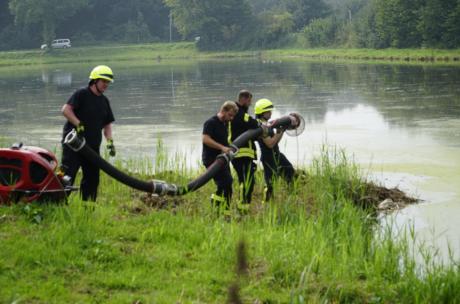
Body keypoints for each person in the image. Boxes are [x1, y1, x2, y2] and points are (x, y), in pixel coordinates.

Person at [60, 65, 116, 201]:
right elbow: (66, 110)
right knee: (67, 176)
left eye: (108, 82)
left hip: (92, 148)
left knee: (92, 179)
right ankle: (58, 203)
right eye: (104, 81)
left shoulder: (104, 101)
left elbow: (107, 124)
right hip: (73, 145)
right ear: (95, 81)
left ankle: (88, 208)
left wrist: (110, 142)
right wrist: (77, 123)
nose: (106, 84)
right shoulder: (81, 94)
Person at [254, 98, 295, 202]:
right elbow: (270, 144)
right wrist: (280, 132)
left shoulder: (268, 124)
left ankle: (291, 195)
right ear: (262, 112)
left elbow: (275, 141)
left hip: (276, 154)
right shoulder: (260, 126)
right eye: (268, 111)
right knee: (270, 182)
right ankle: (267, 202)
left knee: (289, 170)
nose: (271, 113)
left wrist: (281, 130)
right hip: (268, 157)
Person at [202, 101, 239, 210]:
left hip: (223, 159)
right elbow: (206, 139)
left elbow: (223, 140)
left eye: (233, 116)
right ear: (223, 110)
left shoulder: (225, 123)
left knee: (227, 184)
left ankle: (222, 211)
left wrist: (230, 148)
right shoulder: (210, 122)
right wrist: (222, 148)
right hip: (211, 159)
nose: (231, 118)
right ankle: (217, 207)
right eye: (230, 115)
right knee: (226, 182)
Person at [229, 90, 260, 209]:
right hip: (240, 154)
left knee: (247, 181)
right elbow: (252, 122)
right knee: (246, 181)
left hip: (242, 155)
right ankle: (242, 206)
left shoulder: (238, 112)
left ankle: (243, 205)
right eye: (249, 101)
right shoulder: (237, 111)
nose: (250, 104)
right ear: (243, 99)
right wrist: (259, 124)